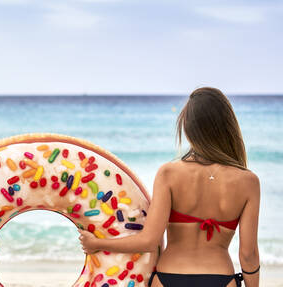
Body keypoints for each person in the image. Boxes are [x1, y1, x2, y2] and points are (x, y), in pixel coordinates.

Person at [79, 87, 260, 287]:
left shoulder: (169, 173)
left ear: (189, 128)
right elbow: (248, 254)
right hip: (221, 279)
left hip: (168, 278)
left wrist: (96, 243)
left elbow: (149, 241)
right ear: (228, 127)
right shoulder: (248, 182)